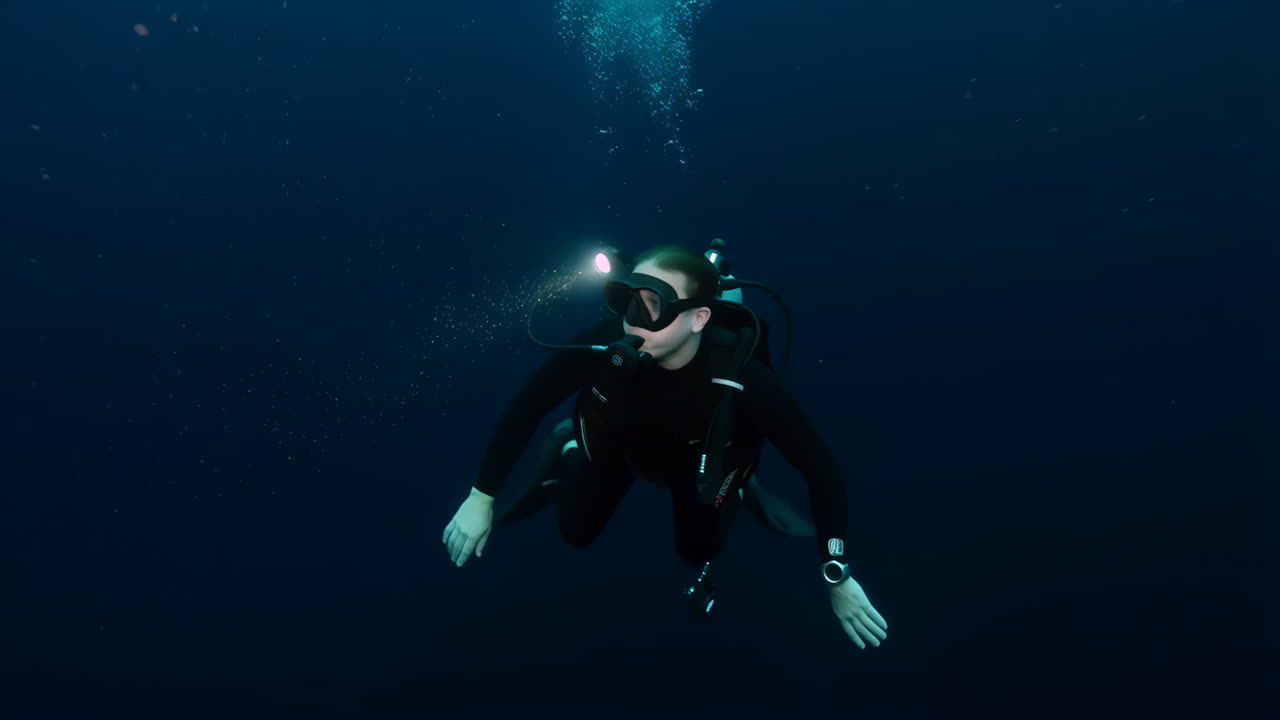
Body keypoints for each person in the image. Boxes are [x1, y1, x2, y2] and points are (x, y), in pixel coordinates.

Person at [442, 243, 888, 649]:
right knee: (575, 532)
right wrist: (482, 495)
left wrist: (836, 572)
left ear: (699, 318)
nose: (632, 320)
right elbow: (527, 407)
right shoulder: (599, 347)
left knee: (698, 551)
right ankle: (570, 448)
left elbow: (822, 469)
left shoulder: (742, 378)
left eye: (654, 306)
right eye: (627, 300)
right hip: (617, 450)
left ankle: (736, 485)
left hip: (699, 466)